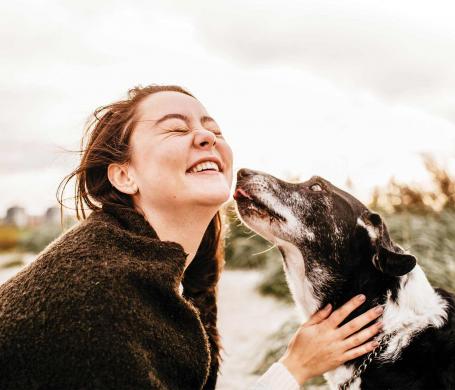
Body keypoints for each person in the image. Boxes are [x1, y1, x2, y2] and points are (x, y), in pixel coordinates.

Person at [0, 84, 383, 389]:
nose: (205, 137)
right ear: (124, 175)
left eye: (213, 130)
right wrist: (296, 367)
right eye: (176, 128)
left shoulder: (152, 267)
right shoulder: (96, 295)